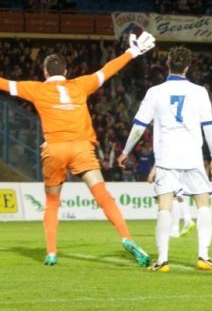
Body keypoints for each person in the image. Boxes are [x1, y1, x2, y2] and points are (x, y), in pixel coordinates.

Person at [0, 32, 156, 266]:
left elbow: (4, 84)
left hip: (54, 149)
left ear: (45, 72)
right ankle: (127, 237)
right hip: (82, 147)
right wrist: (131, 52)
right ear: (65, 72)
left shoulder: (35, 89)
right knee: (103, 195)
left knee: (52, 201)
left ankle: (51, 252)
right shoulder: (80, 84)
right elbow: (108, 69)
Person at [117, 46, 212, 272]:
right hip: (193, 156)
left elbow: (139, 126)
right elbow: (208, 126)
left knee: (164, 207)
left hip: (166, 157)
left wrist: (126, 151)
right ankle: (204, 256)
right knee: (203, 204)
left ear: (168, 64)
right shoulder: (200, 92)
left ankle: (163, 260)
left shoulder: (155, 92)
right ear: (187, 66)